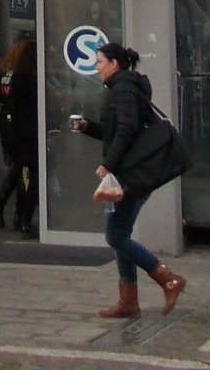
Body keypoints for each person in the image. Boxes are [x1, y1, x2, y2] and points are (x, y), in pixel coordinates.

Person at [72, 41, 189, 319]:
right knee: (120, 235)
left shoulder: (123, 89)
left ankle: (168, 279)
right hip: (126, 172)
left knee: (115, 235)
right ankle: (128, 301)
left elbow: (127, 130)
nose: (96, 67)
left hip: (130, 173)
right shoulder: (121, 88)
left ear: (115, 63)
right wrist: (88, 127)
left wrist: (107, 164)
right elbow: (118, 132)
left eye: (100, 61)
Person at [0, 34, 39, 236]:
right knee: (32, 175)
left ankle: (4, 207)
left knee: (19, 169)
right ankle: (25, 219)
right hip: (26, 131)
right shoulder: (26, 77)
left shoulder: (6, 74)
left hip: (11, 131)